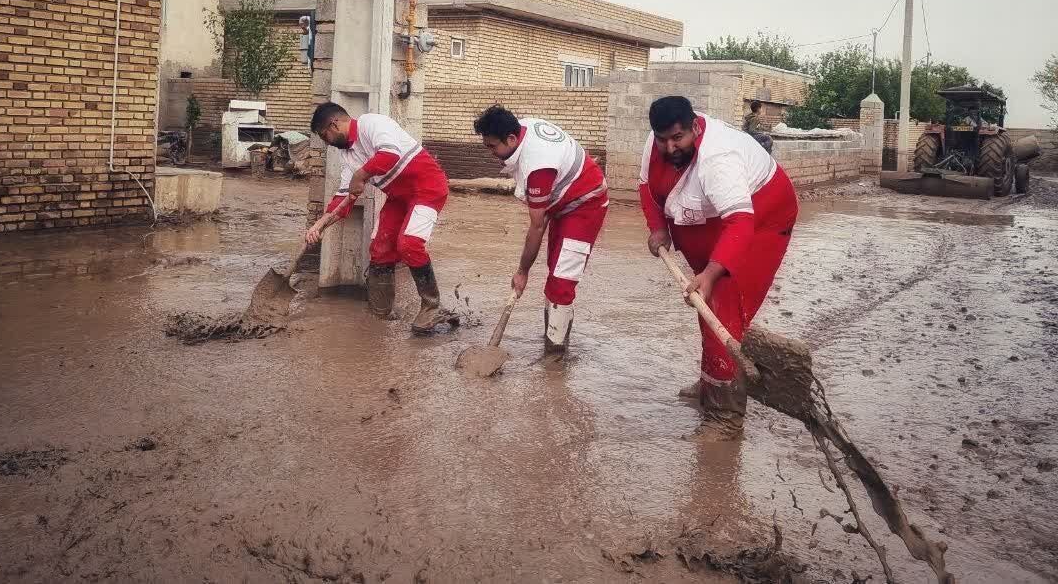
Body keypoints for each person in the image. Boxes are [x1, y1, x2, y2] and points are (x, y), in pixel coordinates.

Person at [639, 95, 799, 441]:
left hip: (762, 219)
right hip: (711, 217)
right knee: (705, 303)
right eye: (663, 139)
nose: (669, 147)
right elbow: (646, 189)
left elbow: (740, 223)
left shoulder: (718, 158)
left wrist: (711, 274)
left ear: (695, 127)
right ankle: (711, 380)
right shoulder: (656, 142)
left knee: (723, 307)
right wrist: (657, 228)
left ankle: (725, 419)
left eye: (678, 138)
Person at [305, 102, 457, 333]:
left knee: (409, 244)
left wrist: (361, 175)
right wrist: (320, 224)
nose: (326, 142)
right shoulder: (348, 155)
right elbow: (343, 201)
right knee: (380, 248)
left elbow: (390, 154)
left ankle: (432, 306)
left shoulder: (371, 123)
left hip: (427, 188)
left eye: (324, 136)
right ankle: (380, 314)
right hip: (398, 196)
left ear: (333, 124)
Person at [474, 105, 608, 354]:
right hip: (563, 200)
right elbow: (543, 216)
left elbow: (537, 226)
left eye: (493, 147)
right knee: (555, 270)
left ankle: (555, 357)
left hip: (586, 204)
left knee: (562, 279)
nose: (491, 153)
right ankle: (553, 337)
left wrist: (522, 271)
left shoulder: (538, 166)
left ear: (511, 138)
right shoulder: (522, 127)